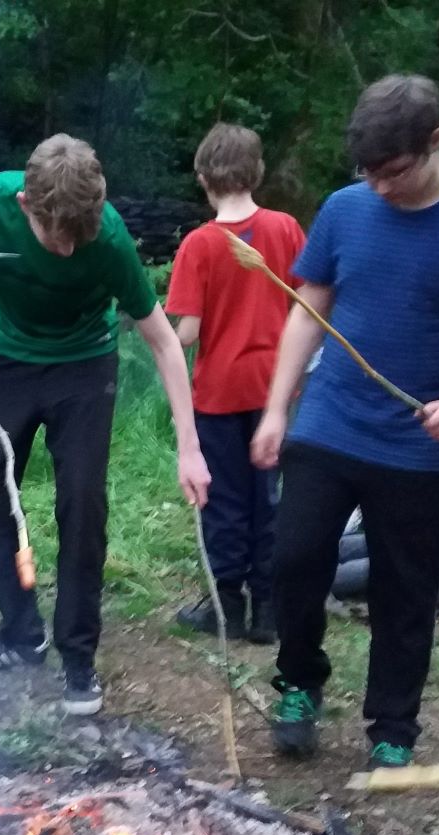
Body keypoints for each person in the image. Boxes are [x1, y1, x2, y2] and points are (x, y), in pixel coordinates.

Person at [250, 75, 439, 768]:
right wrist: (277, 406)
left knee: (405, 592)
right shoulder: (345, 210)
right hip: (330, 423)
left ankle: (392, 728)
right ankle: (300, 683)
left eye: (395, 171)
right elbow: (307, 309)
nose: (380, 187)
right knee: (293, 558)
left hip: (420, 446)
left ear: (435, 142)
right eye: (368, 172)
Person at [0, 133, 212, 716]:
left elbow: (166, 344)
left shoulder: (109, 237)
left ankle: (77, 653)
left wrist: (189, 449)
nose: (68, 249)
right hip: (9, 360)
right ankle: (21, 633)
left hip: (84, 367)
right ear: (25, 205)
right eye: (54, 234)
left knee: (82, 501)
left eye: (79, 235)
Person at [165, 123, 305, 645]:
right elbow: (305, 306)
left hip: (219, 392)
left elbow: (187, 334)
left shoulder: (199, 245)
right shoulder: (286, 229)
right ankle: (268, 611)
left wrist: (150, 325)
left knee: (222, 499)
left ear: (203, 178)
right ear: (257, 172)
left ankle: (226, 607)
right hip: (274, 389)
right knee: (268, 498)